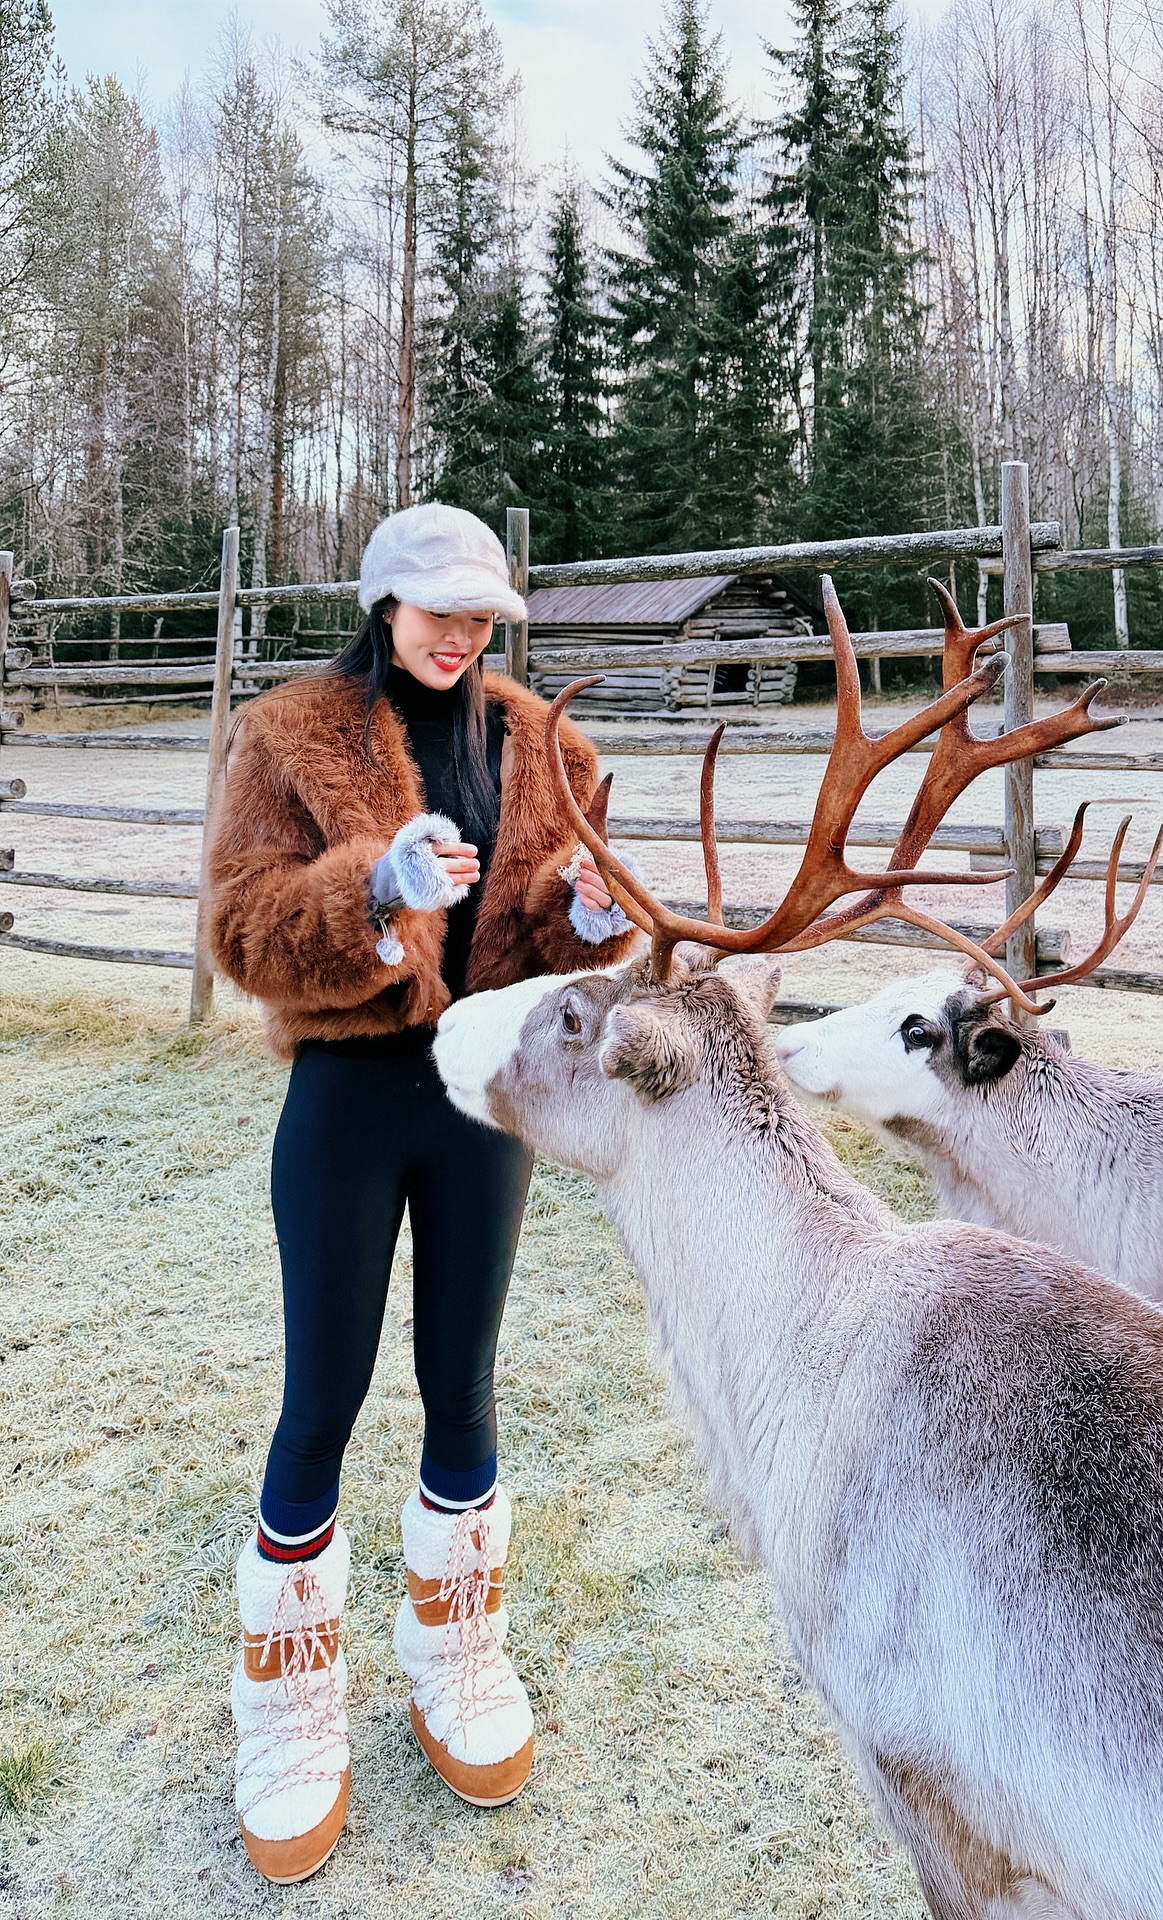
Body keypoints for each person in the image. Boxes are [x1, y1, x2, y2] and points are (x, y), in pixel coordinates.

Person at [204, 502, 640, 1884]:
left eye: (479, 617)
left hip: (480, 1105)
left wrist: (586, 921)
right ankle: (286, 1711)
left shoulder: (550, 746)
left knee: (464, 1386)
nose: (458, 636)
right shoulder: (289, 738)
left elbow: (550, 916)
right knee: (320, 1400)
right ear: (383, 603)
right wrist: (373, 897)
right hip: (344, 1102)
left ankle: (456, 1658)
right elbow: (237, 930)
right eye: (435, 610)